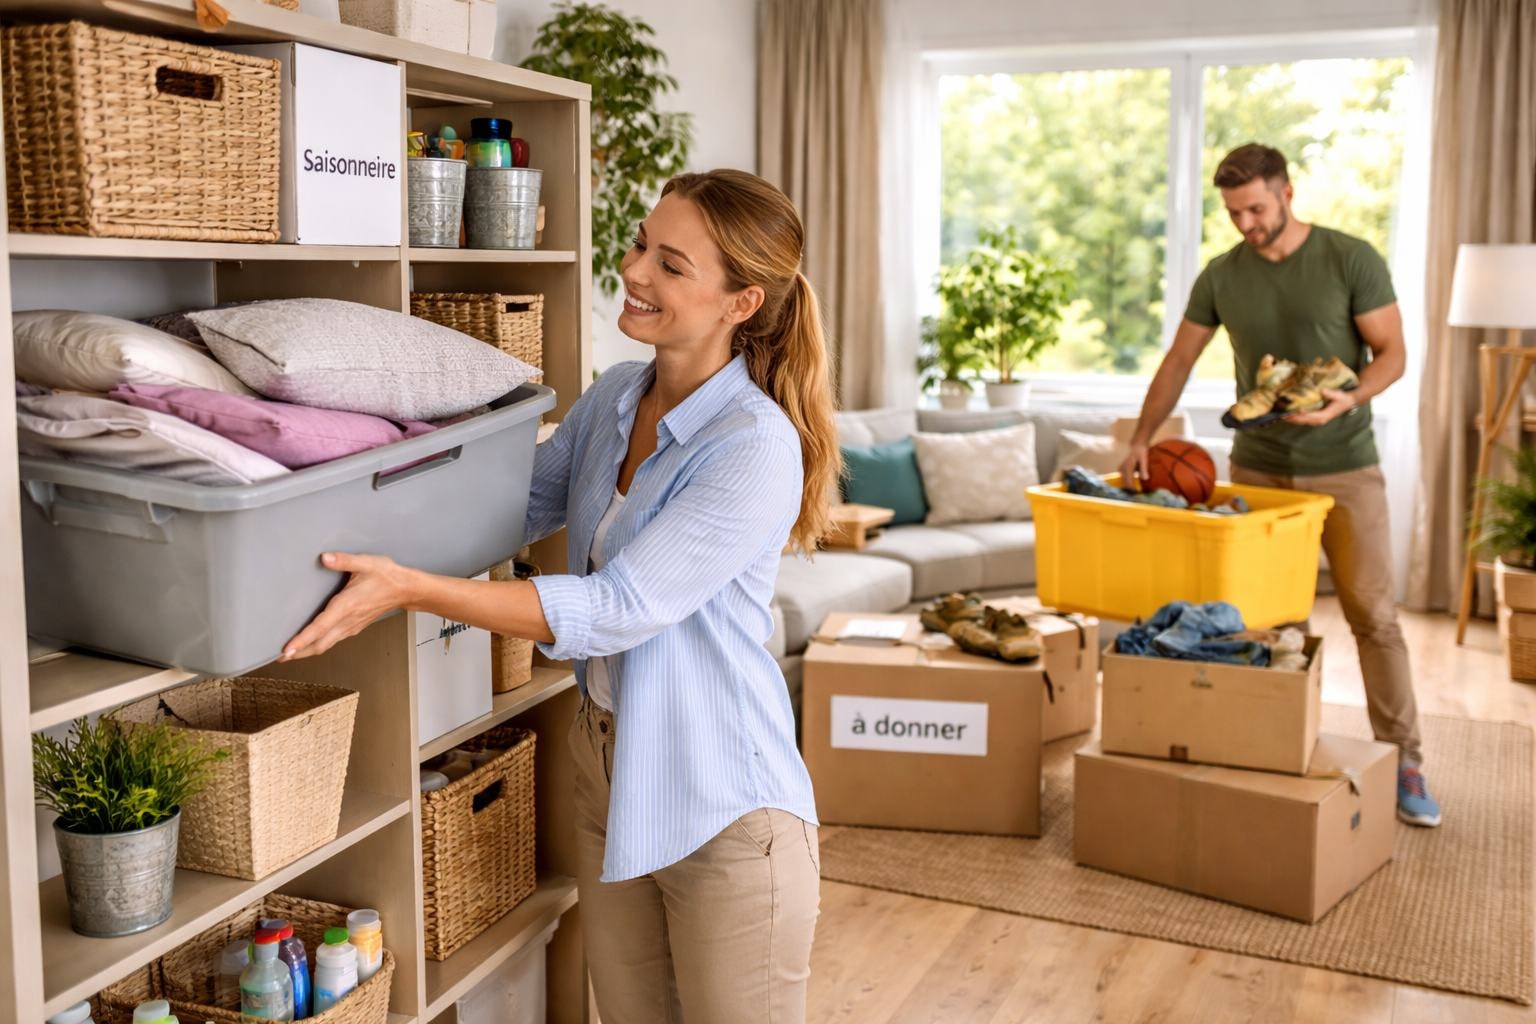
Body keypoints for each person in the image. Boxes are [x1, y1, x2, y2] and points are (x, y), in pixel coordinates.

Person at [280, 168, 837, 1020]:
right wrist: (361, 475)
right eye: (642, 243)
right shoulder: (618, 394)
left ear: (742, 302)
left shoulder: (752, 445)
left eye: (672, 264)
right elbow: (516, 506)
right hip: (606, 767)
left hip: (726, 802)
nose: (637, 270)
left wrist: (407, 590)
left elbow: (613, 610)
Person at [1119, 142, 1440, 828]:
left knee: (1373, 615)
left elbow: (1393, 355)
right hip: (1259, 468)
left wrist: (1345, 402)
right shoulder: (1222, 275)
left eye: (1256, 208)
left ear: (1287, 193)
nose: (1245, 223)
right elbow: (1179, 360)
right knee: (1269, 621)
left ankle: (1405, 759)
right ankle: (1277, 746)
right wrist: (1141, 437)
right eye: (1234, 212)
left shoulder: (1349, 258)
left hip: (1345, 463)